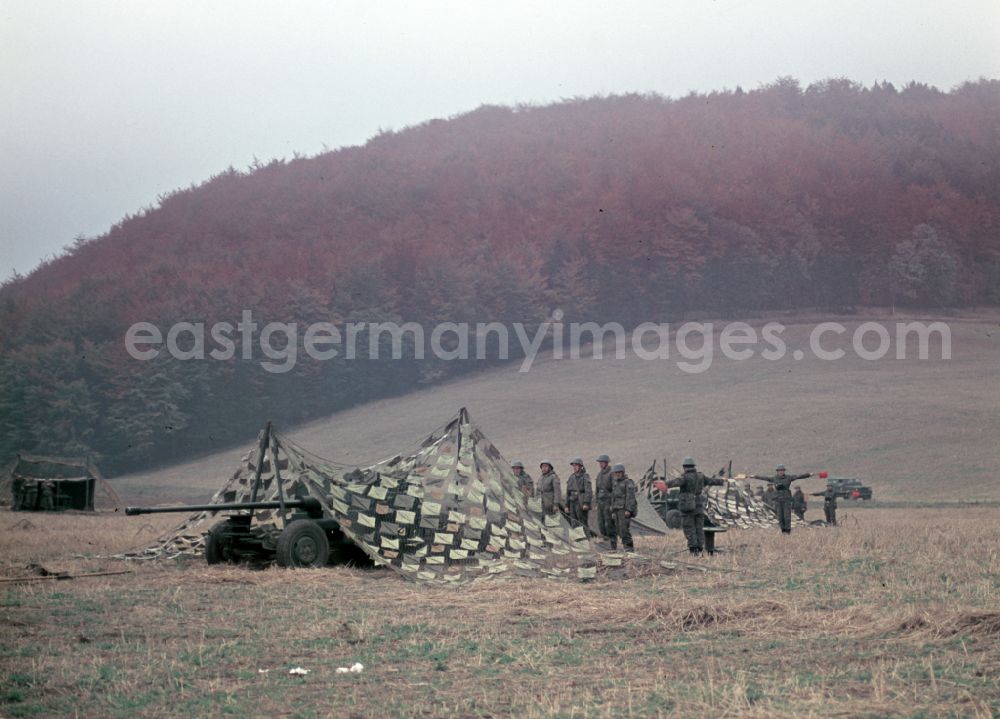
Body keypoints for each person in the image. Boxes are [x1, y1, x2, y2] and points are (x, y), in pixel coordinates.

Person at [665, 457, 725, 555]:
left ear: (684, 467)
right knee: (699, 528)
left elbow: (675, 483)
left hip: (687, 507)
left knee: (689, 527)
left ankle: (694, 550)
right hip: (699, 506)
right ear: (694, 466)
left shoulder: (684, 477)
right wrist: (722, 481)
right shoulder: (700, 476)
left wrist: (664, 484)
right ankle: (700, 548)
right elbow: (711, 481)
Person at [751, 464, 812, 533]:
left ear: (784, 471)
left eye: (782, 470)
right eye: (779, 470)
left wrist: (808, 474)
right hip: (778, 500)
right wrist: (755, 476)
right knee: (780, 517)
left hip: (786, 500)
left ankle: (788, 531)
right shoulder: (774, 478)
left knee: (787, 517)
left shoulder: (788, 478)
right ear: (777, 471)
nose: (781, 472)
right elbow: (764, 478)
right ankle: (783, 531)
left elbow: (799, 476)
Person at [608, 464, 637, 551]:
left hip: (624, 510)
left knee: (624, 530)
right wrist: (612, 510)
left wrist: (628, 509)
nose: (617, 474)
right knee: (619, 531)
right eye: (616, 473)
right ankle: (626, 548)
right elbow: (613, 497)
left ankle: (629, 550)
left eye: (619, 472)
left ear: (623, 473)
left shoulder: (628, 482)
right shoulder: (615, 483)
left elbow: (630, 497)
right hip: (616, 509)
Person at [564, 458, 593, 530]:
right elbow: (568, 492)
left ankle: (587, 539)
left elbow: (588, 491)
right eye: (573, 465)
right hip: (572, 502)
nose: (574, 467)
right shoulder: (571, 477)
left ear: (580, 466)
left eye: (576, 465)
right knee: (573, 522)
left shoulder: (585, 476)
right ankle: (579, 539)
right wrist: (566, 505)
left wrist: (586, 503)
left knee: (582, 522)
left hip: (580, 502)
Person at [593, 454, 614, 538]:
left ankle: (612, 542)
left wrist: (612, 504)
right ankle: (605, 540)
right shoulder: (599, 475)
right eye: (600, 462)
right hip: (600, 502)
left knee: (608, 522)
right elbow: (597, 490)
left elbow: (614, 490)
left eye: (602, 462)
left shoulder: (612, 474)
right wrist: (596, 502)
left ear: (606, 463)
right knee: (600, 522)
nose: (600, 464)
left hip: (608, 501)